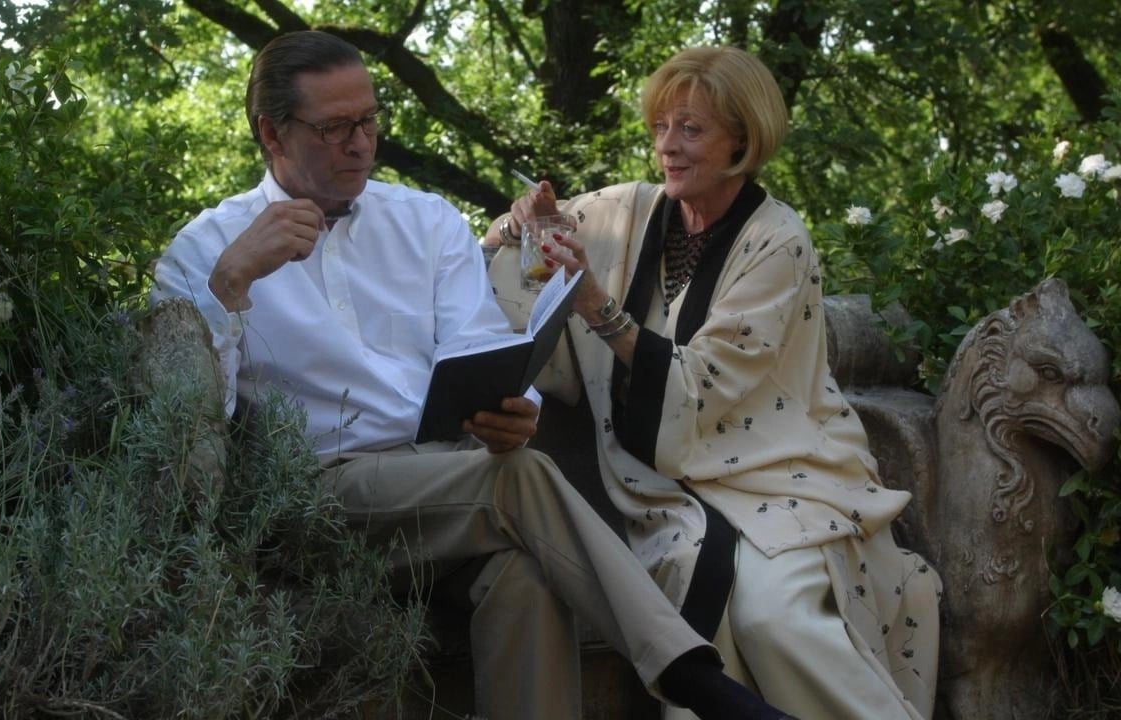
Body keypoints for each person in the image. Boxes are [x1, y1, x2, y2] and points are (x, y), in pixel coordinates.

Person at [152, 30, 795, 720]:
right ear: (271, 134)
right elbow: (186, 416)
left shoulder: (426, 221)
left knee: (526, 574)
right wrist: (229, 288)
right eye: (335, 127)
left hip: (447, 484)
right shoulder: (207, 250)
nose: (361, 143)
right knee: (517, 481)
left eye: (369, 119)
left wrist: (514, 408)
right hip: (315, 496)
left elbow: (483, 346)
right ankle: (695, 679)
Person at [486, 46, 942, 720]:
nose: (668, 147)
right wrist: (520, 222)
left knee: (774, 617)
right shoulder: (623, 210)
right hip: (667, 491)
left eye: (691, 129)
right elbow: (505, 249)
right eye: (659, 128)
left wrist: (593, 303)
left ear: (742, 138)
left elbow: (702, 389)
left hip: (786, 478)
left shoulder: (778, 241)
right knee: (726, 591)